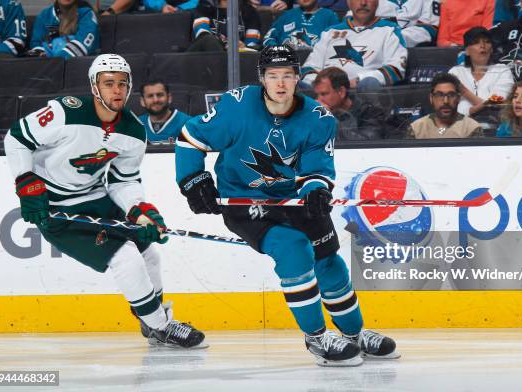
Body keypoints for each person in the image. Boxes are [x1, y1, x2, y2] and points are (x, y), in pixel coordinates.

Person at [175, 45, 399, 366]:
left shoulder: (319, 118)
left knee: (328, 263)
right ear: (262, 80)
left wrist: (316, 189)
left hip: (293, 199)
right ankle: (317, 337)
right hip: (245, 200)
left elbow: (316, 166)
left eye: (288, 76)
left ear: (298, 79)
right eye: (273, 76)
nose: (280, 83)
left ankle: (354, 334)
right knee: (294, 249)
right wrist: (192, 180)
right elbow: (189, 137)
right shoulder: (236, 107)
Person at [3, 54, 206, 349]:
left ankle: (152, 322)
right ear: (94, 86)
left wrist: (139, 211)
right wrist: (26, 182)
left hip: (97, 199)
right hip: (57, 210)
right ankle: (161, 327)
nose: (117, 90)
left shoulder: (134, 131)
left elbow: (123, 181)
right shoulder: (64, 112)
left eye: (122, 83)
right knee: (125, 258)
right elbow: (17, 137)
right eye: (108, 83)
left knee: (149, 254)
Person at [301, 0, 408, 90]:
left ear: (377, 2)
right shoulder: (329, 32)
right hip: (325, 94)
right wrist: (321, 85)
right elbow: (310, 67)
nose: (363, 3)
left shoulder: (390, 30)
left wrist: (359, 80)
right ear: (348, 2)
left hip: (363, 94)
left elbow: (396, 69)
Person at [448, 27, 514, 118]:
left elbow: (497, 103)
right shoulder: (456, 72)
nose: (482, 45)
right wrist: (473, 109)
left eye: (487, 42)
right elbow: (449, 104)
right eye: (476, 42)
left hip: (493, 126)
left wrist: (464, 92)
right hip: (460, 126)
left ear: (491, 49)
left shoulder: (502, 70)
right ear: (467, 51)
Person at [313, 67, 393, 140]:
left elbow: (366, 143)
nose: (318, 99)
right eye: (317, 95)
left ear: (341, 92)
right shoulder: (318, 113)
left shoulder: (370, 112)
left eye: (324, 94)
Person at [407, 72, 483, 138]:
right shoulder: (416, 129)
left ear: (458, 98)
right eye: (440, 95)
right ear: (431, 98)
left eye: (451, 95)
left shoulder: (471, 128)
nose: (446, 101)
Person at [28, 0, 99, 58]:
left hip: (80, 65)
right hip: (49, 67)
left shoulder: (86, 13)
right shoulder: (45, 15)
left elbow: (83, 44)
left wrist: (56, 61)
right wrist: (43, 55)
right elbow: (36, 44)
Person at [262, 0, 339, 50]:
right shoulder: (286, 15)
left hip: (316, 63)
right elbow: (268, 38)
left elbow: (336, 42)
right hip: (286, 62)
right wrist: (278, 51)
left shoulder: (330, 16)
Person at [188, 0, 262, 52]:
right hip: (202, 58)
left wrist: (243, 46)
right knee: (209, 39)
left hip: (238, 56)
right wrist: (225, 44)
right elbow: (202, 33)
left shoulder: (250, 11)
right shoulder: (204, 6)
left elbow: (252, 43)